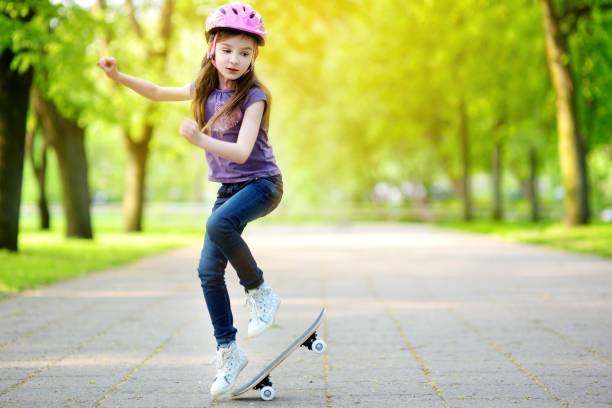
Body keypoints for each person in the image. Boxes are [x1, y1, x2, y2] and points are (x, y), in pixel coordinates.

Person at [97, 2, 283, 398]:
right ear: (213, 48)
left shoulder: (256, 97)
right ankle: (228, 351)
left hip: (263, 183)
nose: (236, 59)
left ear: (254, 58)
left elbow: (244, 151)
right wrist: (118, 76)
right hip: (230, 191)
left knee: (218, 224)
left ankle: (260, 290)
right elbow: (155, 91)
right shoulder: (203, 89)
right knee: (206, 271)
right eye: (229, 49)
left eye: (246, 53)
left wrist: (200, 140)